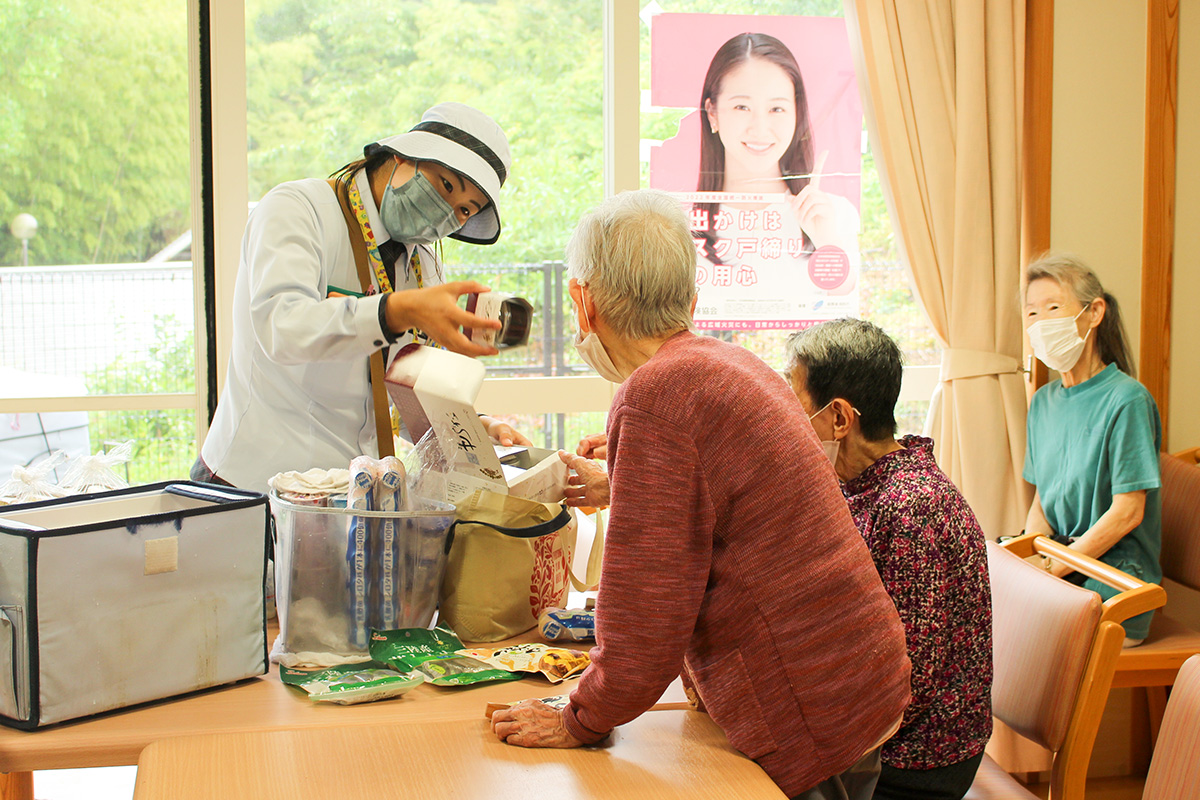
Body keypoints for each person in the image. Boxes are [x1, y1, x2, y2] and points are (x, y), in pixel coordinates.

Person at [489, 189, 911, 800]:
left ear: (582, 302)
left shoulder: (656, 395)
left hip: (813, 697)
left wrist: (580, 716)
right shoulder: (726, 363)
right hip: (855, 670)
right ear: (690, 298)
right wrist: (631, 480)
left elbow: (648, 609)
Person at [193, 102, 529, 492]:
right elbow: (282, 329)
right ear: (403, 156)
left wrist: (472, 427)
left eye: (464, 209)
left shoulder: (423, 267)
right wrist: (395, 312)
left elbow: (402, 391)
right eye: (446, 185)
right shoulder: (299, 210)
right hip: (250, 483)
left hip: (347, 495)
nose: (447, 212)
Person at [785, 318, 992, 800]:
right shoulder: (859, 481)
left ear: (839, 418)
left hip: (916, 760)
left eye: (794, 405)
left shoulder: (910, 508)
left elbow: (908, 679)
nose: (784, 421)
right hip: (879, 737)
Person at [1022, 252, 1162, 646]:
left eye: (1053, 307)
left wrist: (1054, 570)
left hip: (1117, 579)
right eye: (1032, 313)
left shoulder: (1127, 400)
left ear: (1094, 311)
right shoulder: (1044, 401)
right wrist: (1034, 563)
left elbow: (1128, 512)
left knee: (1021, 640)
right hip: (1065, 567)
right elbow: (1042, 504)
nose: (1041, 322)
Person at [694, 32, 859, 281]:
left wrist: (826, 242)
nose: (760, 128)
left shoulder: (834, 215)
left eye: (776, 109)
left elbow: (846, 304)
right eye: (742, 107)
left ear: (796, 114)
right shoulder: (682, 230)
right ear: (712, 113)